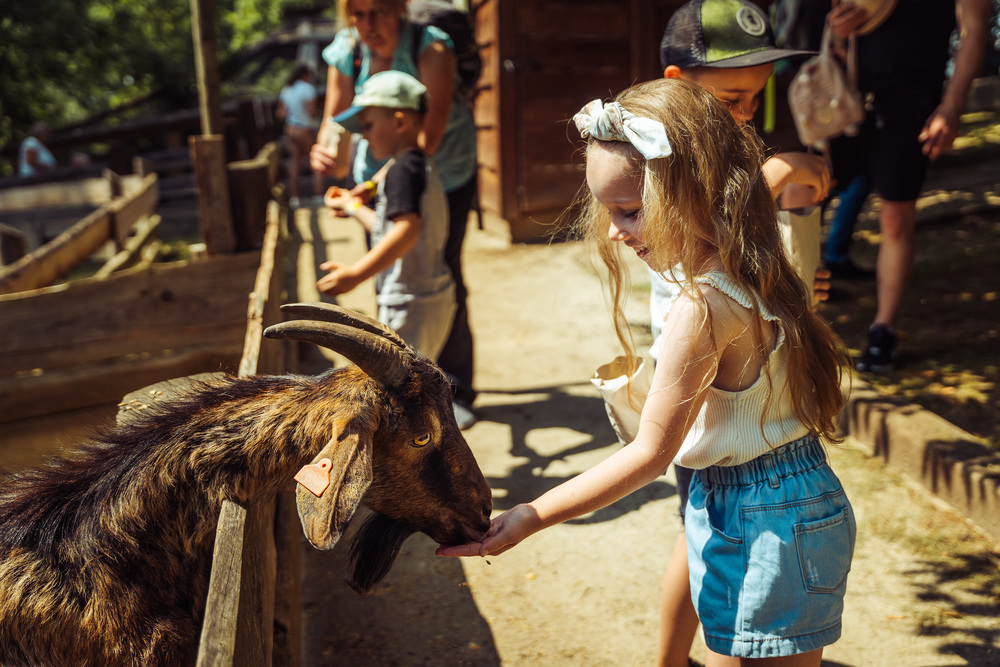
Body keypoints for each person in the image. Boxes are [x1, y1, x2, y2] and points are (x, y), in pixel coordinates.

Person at [439, 79, 855, 665]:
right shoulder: (759, 265)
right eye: (610, 211)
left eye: (630, 212)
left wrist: (529, 516)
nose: (614, 231)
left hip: (766, 521)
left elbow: (650, 455)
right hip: (783, 498)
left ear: (693, 194)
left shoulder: (702, 306)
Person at [653, 2, 834, 662]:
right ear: (679, 83)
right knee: (731, 558)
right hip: (709, 387)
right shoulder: (665, 151)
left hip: (730, 371)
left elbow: (749, 261)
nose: (747, 111)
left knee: (694, 531)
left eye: (756, 97)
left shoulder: (726, 142)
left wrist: (790, 286)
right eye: (732, 96)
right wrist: (774, 174)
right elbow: (708, 237)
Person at [310, 0, 479, 428]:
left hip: (433, 172)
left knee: (407, 367)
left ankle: (439, 409)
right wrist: (354, 189)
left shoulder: (430, 47)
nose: (368, 24)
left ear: (400, 9)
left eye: (378, 12)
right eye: (357, 14)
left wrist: (355, 274)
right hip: (400, 176)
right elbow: (338, 126)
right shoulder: (346, 52)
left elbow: (405, 221)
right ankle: (432, 407)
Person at [823, 0, 989, 371]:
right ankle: (792, 320)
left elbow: (974, 31)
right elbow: (832, 31)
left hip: (910, 100)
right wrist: (837, 30)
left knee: (896, 216)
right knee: (808, 195)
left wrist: (952, 104)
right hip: (840, 94)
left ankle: (882, 329)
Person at [317, 71, 455, 363]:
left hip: (411, 302)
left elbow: (405, 232)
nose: (363, 136)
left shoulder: (402, 170)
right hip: (426, 296)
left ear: (399, 123)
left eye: (367, 125)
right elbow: (388, 228)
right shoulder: (412, 164)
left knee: (402, 392)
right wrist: (353, 207)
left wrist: (356, 274)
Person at [277, 63, 324, 208]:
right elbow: (311, 112)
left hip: (290, 129)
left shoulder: (287, 89)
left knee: (295, 162)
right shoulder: (308, 89)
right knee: (316, 161)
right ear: (305, 75)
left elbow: (281, 113)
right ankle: (318, 195)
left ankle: (295, 198)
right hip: (305, 129)